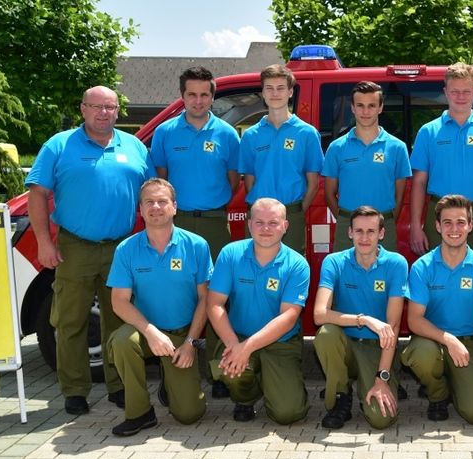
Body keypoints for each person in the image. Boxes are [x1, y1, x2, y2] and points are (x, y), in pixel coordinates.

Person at [25, 86, 154, 415]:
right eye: (96, 106)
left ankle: (118, 386)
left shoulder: (135, 147)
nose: (103, 113)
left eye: (110, 107)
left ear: (117, 111)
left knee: (119, 320)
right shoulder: (59, 145)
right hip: (74, 248)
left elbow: (153, 194)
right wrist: (43, 242)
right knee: (71, 322)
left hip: (121, 249)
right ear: (82, 109)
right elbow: (37, 195)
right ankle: (74, 391)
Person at [151, 66, 240, 399]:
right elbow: (160, 180)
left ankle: (218, 371)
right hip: (176, 224)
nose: (198, 100)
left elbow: (233, 180)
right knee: (173, 294)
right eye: (192, 94)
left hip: (215, 223)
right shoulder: (164, 133)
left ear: (213, 97)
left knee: (217, 296)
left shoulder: (228, 135)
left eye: (205, 94)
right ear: (182, 96)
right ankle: (170, 371)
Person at [107, 179, 210, 436]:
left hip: (182, 335)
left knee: (189, 415)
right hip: (146, 331)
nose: (156, 207)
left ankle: (171, 380)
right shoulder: (126, 249)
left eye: (162, 201)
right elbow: (119, 301)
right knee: (121, 341)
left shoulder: (196, 245)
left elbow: (205, 300)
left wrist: (190, 342)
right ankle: (140, 412)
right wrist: (151, 332)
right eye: (149, 202)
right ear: (140, 209)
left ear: (175, 207)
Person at [401, 195, 473, 424]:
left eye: (460, 222)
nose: (454, 229)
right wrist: (448, 339)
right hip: (431, 342)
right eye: (447, 222)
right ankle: (438, 395)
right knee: (421, 355)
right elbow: (414, 320)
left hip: (469, 344)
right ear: (437, 226)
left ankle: (459, 384)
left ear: (471, 225)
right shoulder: (422, 267)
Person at [206, 198, 310, 424]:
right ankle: (246, 398)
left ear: (285, 226)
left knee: (288, 414)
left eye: (273, 223)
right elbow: (214, 304)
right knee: (230, 370)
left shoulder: (297, 264)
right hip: (238, 336)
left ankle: (276, 384)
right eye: (259, 222)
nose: (265, 229)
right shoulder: (230, 254)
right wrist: (234, 346)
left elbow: (289, 317)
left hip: (281, 343)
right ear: (249, 224)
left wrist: (248, 348)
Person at [312, 205, 407, 430]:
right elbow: (319, 314)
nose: (364, 237)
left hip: (378, 347)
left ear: (381, 233)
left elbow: (392, 325)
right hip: (344, 345)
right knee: (326, 334)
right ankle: (340, 397)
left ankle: (387, 379)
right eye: (359, 231)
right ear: (350, 233)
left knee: (381, 419)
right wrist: (364, 319)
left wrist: (382, 378)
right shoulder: (334, 262)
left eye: (371, 231)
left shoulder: (396, 264)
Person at [409, 62, 473, 261]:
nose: (461, 96)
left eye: (466, 91)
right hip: (437, 215)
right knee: (435, 275)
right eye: (455, 91)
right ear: (445, 92)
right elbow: (419, 182)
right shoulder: (428, 131)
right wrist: (415, 226)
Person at [238, 64, 324, 255]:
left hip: (291, 214)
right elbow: (249, 182)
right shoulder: (251, 135)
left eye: (280, 88)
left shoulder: (307, 133)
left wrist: (297, 210)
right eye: (269, 88)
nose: (275, 93)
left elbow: (313, 183)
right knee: (253, 270)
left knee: (290, 272)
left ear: (290, 92)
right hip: (258, 215)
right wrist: (262, 209)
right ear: (262, 93)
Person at [322, 81, 411, 251]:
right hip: (347, 226)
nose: (365, 111)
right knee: (346, 276)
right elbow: (329, 193)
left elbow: (400, 195)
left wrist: (385, 221)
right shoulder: (336, 148)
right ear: (353, 108)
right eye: (360, 105)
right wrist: (347, 220)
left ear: (380, 107)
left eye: (371, 105)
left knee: (384, 275)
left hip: (383, 226)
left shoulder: (397, 147)